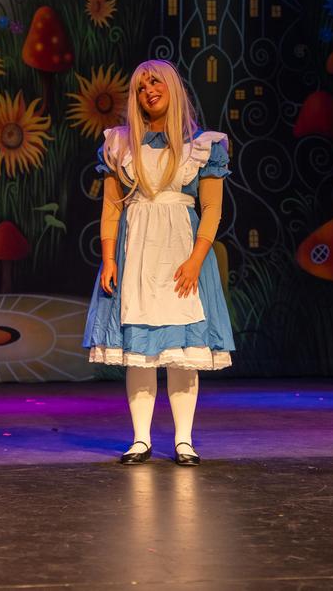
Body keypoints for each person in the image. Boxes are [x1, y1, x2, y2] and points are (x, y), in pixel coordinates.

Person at [83, 59, 235, 467]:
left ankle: (184, 440)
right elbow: (111, 207)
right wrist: (108, 258)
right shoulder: (120, 143)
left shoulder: (202, 145)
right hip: (136, 250)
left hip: (182, 250)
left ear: (171, 86)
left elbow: (212, 209)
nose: (148, 90)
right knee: (140, 348)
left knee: (184, 348)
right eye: (140, 86)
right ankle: (140, 439)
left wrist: (196, 260)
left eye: (155, 82)